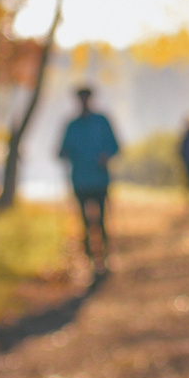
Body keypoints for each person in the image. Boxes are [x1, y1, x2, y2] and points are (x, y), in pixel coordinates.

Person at [55, 85, 121, 275]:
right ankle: (90, 260)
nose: (84, 102)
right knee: (84, 223)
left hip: (100, 180)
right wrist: (64, 153)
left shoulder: (102, 122)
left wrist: (106, 155)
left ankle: (105, 257)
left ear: (90, 99)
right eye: (81, 99)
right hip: (80, 181)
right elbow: (61, 150)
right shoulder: (71, 125)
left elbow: (115, 146)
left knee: (101, 220)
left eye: (86, 98)